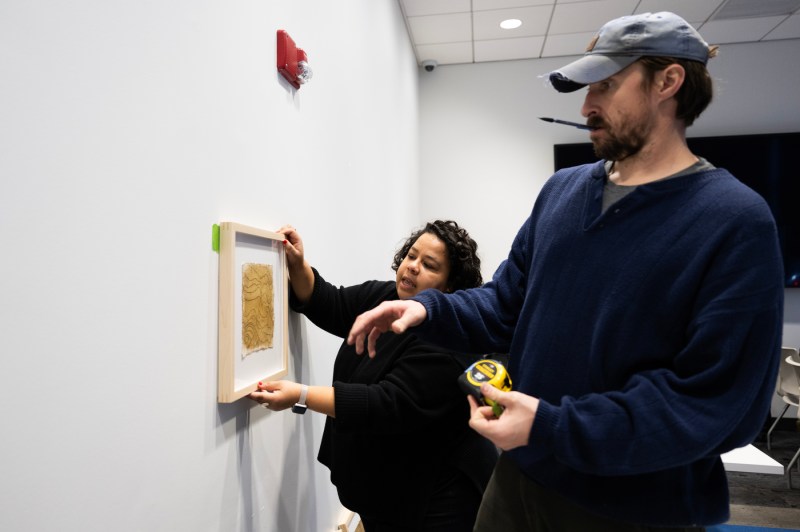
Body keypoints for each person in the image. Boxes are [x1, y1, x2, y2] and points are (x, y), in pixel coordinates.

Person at [347, 12, 784, 531]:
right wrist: (424, 308)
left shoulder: (735, 220)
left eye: (605, 85)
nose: (586, 106)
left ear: (669, 82)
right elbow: (507, 304)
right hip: (519, 478)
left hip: (638, 506)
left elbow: (717, 405)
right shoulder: (563, 191)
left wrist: (554, 426)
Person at [250, 221, 498, 531]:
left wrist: (300, 395)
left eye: (429, 265)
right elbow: (331, 304)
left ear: (450, 286)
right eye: (411, 255)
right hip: (384, 485)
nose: (412, 266)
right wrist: (298, 264)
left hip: (433, 497)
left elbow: (385, 403)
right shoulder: (387, 298)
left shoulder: (450, 343)